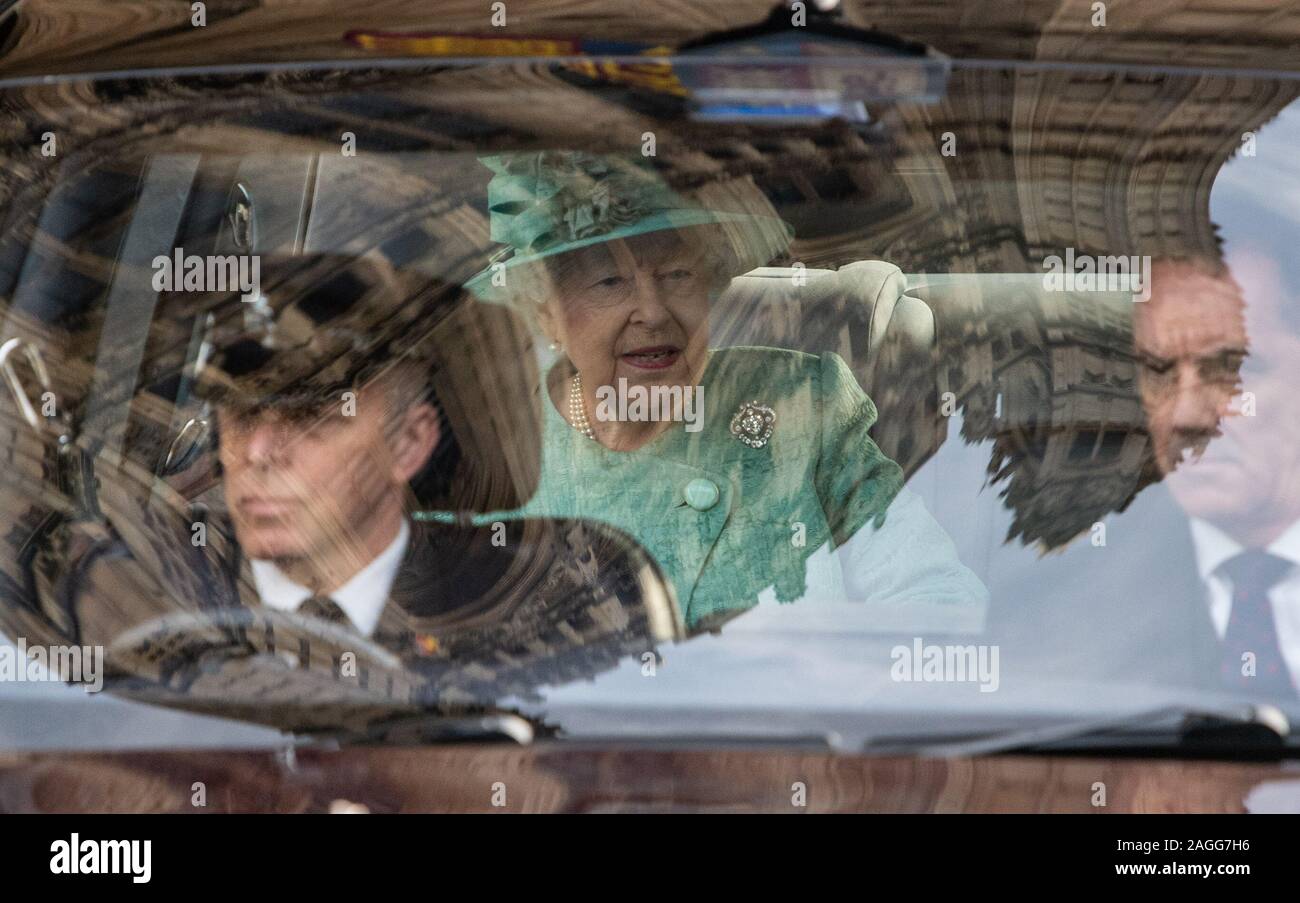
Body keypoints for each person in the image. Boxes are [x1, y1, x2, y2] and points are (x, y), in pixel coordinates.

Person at [72, 251, 682, 714]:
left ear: (409, 444)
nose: (256, 450)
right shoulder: (132, 577)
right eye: (237, 409)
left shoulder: (575, 592)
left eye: (308, 416)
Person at [464, 151, 987, 634]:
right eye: (609, 282)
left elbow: (937, 602)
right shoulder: (494, 459)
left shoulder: (799, 402)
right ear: (546, 312)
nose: (652, 311)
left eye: (677, 274)